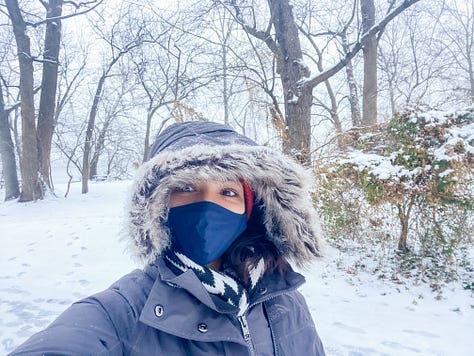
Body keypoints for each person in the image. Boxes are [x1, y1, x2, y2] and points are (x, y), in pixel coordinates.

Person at [11, 121, 326, 355]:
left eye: (228, 192)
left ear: (250, 212)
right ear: (159, 206)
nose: (207, 207)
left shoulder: (284, 300)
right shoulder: (126, 309)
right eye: (187, 188)